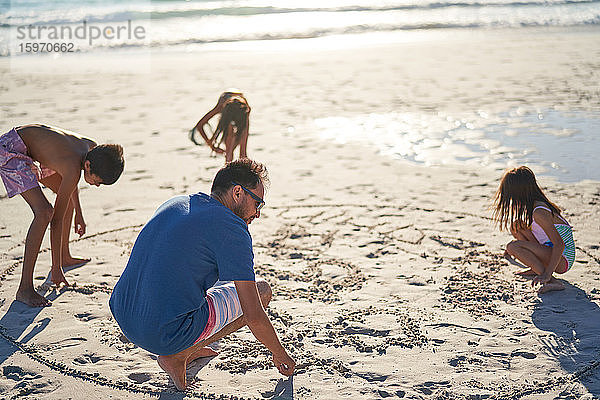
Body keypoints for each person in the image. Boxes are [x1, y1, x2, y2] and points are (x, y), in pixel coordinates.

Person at [109, 158, 295, 391]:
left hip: (124, 314)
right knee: (262, 291)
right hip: (160, 333)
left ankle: (189, 347)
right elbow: (253, 313)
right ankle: (178, 355)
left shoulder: (177, 202)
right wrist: (280, 354)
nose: (257, 213)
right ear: (238, 192)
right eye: (257, 203)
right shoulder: (232, 229)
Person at [0, 124, 124, 307]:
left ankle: (64, 256)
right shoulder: (74, 168)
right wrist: (55, 269)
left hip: (35, 152)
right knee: (44, 212)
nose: (97, 186)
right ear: (88, 165)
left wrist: (78, 213)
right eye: (98, 182)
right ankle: (24, 288)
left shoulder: (91, 147)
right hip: (10, 150)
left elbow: (70, 185)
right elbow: (56, 221)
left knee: (67, 200)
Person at [492, 166, 575, 293]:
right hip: (550, 249)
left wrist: (547, 273)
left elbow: (560, 244)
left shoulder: (539, 212)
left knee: (514, 247)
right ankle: (537, 267)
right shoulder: (534, 205)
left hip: (563, 258)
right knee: (517, 226)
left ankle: (552, 280)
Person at [189, 90, 251, 163]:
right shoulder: (221, 106)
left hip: (240, 109)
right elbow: (200, 125)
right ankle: (228, 166)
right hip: (227, 103)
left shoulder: (245, 110)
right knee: (229, 150)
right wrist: (211, 146)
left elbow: (243, 153)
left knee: (242, 153)